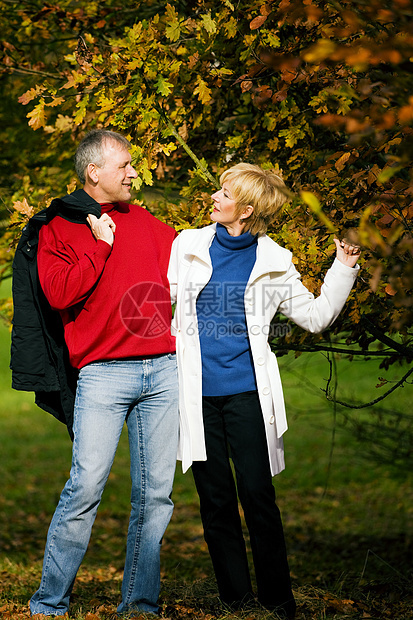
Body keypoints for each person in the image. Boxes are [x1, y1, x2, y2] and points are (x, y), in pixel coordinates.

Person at [167, 163, 361, 620]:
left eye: (225, 193)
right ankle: (235, 599)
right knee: (215, 501)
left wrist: (343, 268)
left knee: (257, 497)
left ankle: (278, 600)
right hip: (195, 396)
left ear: (247, 209)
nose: (214, 197)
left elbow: (314, 317)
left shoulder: (275, 260)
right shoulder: (187, 244)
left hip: (248, 396)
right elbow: (162, 303)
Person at [30, 129, 179, 617]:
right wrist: (98, 246)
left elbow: (191, 264)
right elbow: (58, 294)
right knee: (84, 488)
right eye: (125, 165)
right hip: (103, 376)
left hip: (162, 372)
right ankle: (49, 603)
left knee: (156, 495)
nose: (135, 172)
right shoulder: (61, 226)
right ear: (94, 172)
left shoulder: (150, 224)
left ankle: (139, 603)